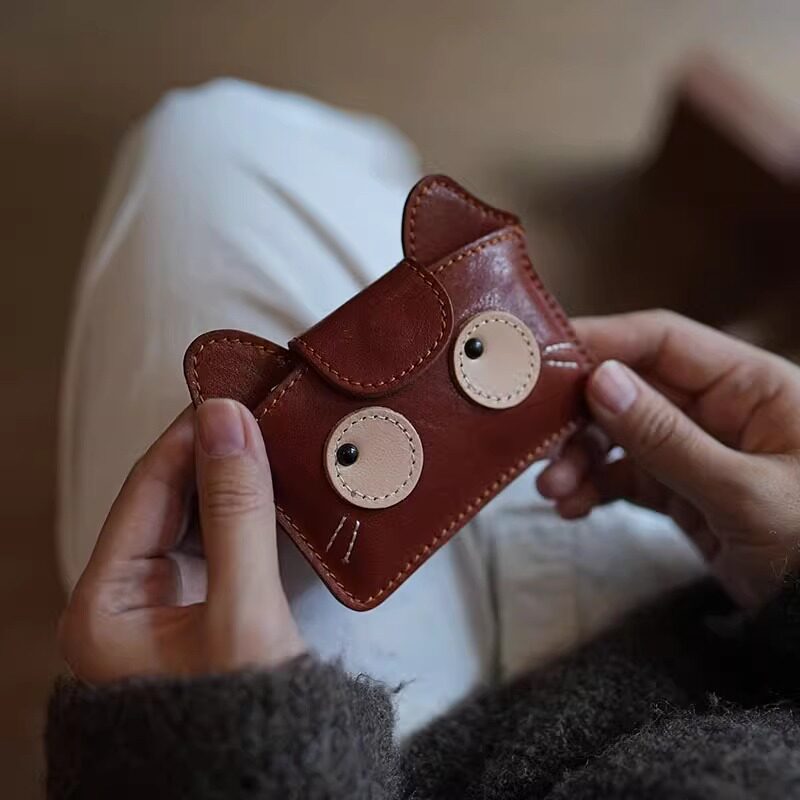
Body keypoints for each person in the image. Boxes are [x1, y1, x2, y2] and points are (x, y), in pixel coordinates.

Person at [47, 81, 800, 797]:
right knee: (212, 136)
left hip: (372, 747)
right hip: (708, 599)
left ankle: (369, 152)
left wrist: (238, 745)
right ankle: (374, 153)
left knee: (206, 137)